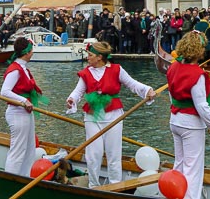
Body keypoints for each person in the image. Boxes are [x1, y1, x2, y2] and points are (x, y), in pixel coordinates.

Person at [66, 41, 156, 188]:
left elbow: (132, 84)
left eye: (90, 55)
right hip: (92, 117)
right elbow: (78, 91)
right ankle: (93, 185)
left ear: (99, 57)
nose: (87, 58)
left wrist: (147, 90)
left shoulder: (117, 70)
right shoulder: (86, 73)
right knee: (94, 154)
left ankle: (115, 185)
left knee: (113, 153)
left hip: (113, 116)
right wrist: (71, 99)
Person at [166, 30, 210, 199]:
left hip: (175, 121)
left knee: (179, 164)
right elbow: (202, 106)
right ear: (199, 50)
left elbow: (172, 95)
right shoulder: (197, 74)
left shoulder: (173, 67)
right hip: (190, 125)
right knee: (193, 169)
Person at [1, 37, 47, 176]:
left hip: (25, 112)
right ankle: (11, 180)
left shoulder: (23, 68)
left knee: (29, 149)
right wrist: (23, 101)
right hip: (17, 113)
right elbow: (4, 91)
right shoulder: (15, 69)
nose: (33, 53)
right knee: (18, 150)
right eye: (32, 50)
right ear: (27, 52)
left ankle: (24, 177)